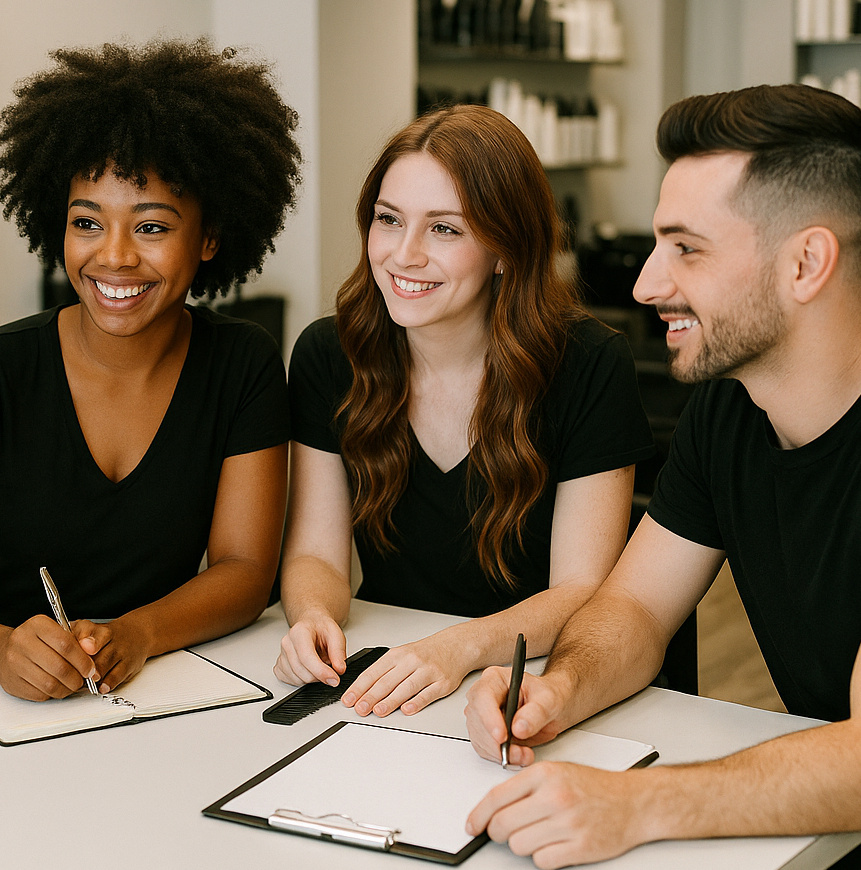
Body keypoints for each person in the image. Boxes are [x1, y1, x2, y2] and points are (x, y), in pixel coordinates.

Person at [463, 84, 861, 870]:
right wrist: (560, 689)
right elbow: (635, 607)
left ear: (806, 264)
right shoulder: (733, 408)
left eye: (686, 249)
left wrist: (636, 805)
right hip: (834, 837)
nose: (649, 282)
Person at [0, 39, 302, 701]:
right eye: (86, 222)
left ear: (210, 236)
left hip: (140, 686)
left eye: (153, 227)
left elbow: (245, 570)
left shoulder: (241, 364)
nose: (114, 257)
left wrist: (137, 632)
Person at [274, 104, 652, 717]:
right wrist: (312, 616)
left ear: (506, 250)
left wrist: (458, 648)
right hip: (396, 678)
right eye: (388, 220)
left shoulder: (588, 363)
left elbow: (583, 590)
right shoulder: (329, 354)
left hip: (535, 685)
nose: (404, 254)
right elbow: (317, 554)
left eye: (445, 229)